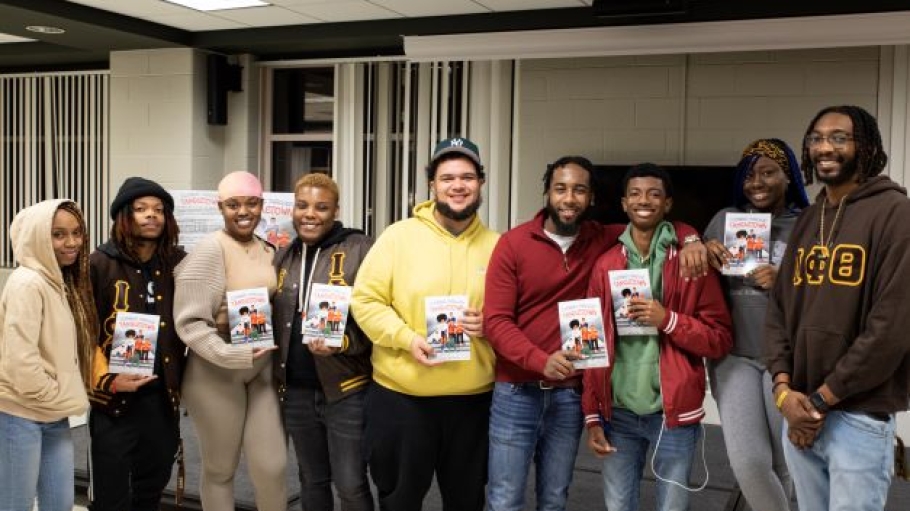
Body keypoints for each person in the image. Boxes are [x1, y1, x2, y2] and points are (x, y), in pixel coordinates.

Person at [483, 156, 708, 511]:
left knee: (555, 497)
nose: (569, 198)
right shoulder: (513, 243)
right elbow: (495, 322)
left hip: (569, 393)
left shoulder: (600, 237)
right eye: (560, 188)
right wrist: (541, 360)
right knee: (504, 498)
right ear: (547, 193)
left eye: (579, 190)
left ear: (591, 199)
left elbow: (651, 219)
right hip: (516, 391)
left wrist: (692, 236)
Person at [765, 105, 910, 511]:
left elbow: (891, 327)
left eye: (838, 138)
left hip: (857, 417)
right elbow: (778, 312)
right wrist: (783, 394)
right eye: (816, 138)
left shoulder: (896, 213)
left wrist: (821, 401)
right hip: (798, 411)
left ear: (864, 146)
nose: (824, 147)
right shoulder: (810, 219)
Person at [351, 137, 498, 511]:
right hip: (403, 399)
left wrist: (491, 325)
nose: (458, 185)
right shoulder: (397, 238)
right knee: (399, 501)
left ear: (481, 183)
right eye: (447, 177)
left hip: (473, 402)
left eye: (467, 177)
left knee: (467, 502)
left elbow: (515, 317)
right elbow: (365, 301)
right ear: (431, 184)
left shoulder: (500, 246)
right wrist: (406, 338)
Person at [581, 163, 732, 511]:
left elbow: (720, 338)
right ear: (623, 204)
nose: (643, 200)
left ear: (667, 204)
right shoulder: (606, 265)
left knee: (672, 507)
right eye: (634, 194)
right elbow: (593, 342)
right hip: (617, 411)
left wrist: (669, 320)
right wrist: (592, 415)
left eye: (654, 194)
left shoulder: (692, 262)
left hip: (672, 412)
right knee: (619, 506)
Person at [703, 139, 809, 511]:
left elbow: (831, 293)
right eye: (749, 175)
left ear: (789, 177)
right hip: (735, 354)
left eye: (768, 172)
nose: (757, 182)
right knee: (749, 462)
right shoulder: (725, 219)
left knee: (783, 461)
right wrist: (698, 248)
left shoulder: (809, 225)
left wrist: (786, 278)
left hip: (787, 356)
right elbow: (692, 275)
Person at [174, 171, 287, 511]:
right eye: (233, 204)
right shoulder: (209, 250)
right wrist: (229, 353)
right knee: (221, 469)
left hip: (261, 368)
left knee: (273, 467)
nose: (243, 211)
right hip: (214, 371)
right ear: (220, 207)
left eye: (251, 203)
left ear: (262, 205)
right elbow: (189, 323)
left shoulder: (270, 250)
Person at [273, 173, 374, 511]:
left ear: (335, 211)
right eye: (302, 205)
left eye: (321, 207)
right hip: (296, 391)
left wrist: (344, 342)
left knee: (350, 484)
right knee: (311, 480)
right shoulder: (285, 254)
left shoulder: (360, 248)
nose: (309, 214)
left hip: (346, 388)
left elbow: (378, 315)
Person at [88, 177, 188, 511]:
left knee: (151, 489)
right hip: (114, 400)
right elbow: (82, 333)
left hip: (161, 398)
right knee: (111, 496)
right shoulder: (98, 263)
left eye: (159, 210)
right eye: (141, 209)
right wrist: (107, 380)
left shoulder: (179, 263)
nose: (152, 216)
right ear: (123, 216)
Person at [0, 199, 98, 511]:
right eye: (58, 234)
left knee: (60, 504)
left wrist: (57, 398)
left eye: (76, 232)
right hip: (20, 414)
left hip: (54, 415)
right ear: (37, 238)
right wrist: (50, 392)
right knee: (15, 505)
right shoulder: (27, 283)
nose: (72, 243)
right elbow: (19, 357)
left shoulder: (61, 282)